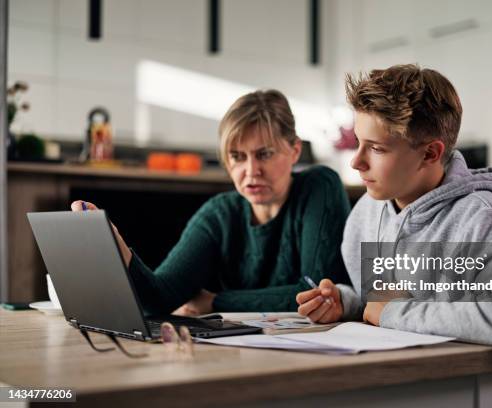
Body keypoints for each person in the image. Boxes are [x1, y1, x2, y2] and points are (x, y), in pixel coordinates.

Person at [295, 64, 492, 406]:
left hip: (484, 399)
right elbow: (378, 303)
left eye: (377, 148)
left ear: (430, 153)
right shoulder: (367, 211)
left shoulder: (482, 217)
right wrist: (347, 302)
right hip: (406, 392)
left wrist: (393, 312)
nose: (356, 162)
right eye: (358, 143)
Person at [72, 89, 351, 315]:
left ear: (295, 151)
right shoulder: (219, 214)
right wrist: (119, 249)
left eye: (264, 154)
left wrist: (216, 302)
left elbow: (315, 293)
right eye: (238, 157)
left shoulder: (319, 186)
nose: (251, 170)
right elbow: (158, 299)